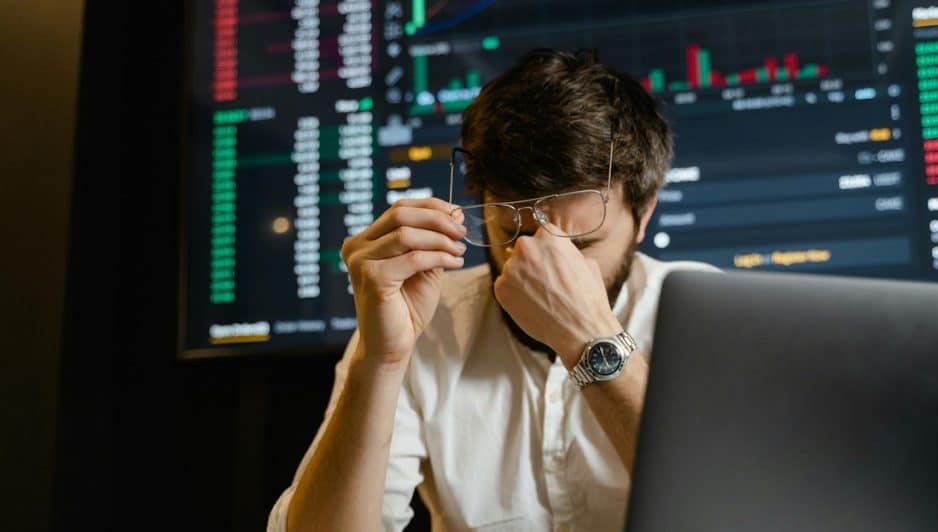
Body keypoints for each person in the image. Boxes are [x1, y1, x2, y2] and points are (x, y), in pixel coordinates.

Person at [268, 48, 716, 532]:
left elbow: (735, 512)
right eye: (515, 233)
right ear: (481, 203)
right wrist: (381, 361)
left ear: (644, 215)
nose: (546, 269)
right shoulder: (424, 320)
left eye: (582, 243)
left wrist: (590, 339)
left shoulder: (711, 320)